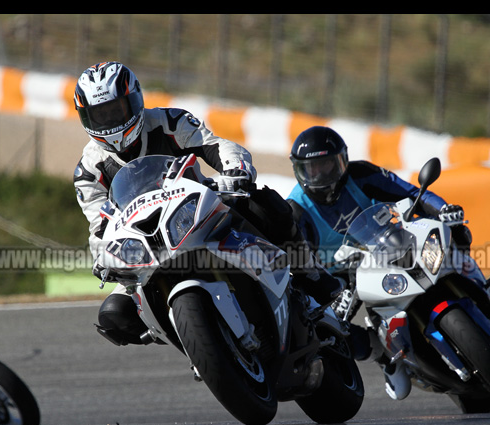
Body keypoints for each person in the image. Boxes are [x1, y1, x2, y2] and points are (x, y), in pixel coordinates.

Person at [73, 62, 340, 346]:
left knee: (264, 202)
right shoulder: (89, 171)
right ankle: (195, 341)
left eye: (115, 110)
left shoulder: (169, 121)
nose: (110, 120)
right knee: (114, 315)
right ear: (86, 118)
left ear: (135, 100)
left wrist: (235, 170)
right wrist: (103, 257)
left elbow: (214, 145)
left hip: (198, 213)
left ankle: (308, 271)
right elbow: (100, 225)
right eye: (99, 115)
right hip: (147, 246)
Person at [286, 125, 490, 401]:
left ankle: (480, 288)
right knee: (333, 329)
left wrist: (443, 210)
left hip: (386, 238)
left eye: (328, 165)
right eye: (313, 169)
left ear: (342, 161)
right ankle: (387, 358)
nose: (321, 175)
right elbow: (301, 260)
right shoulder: (296, 210)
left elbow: (414, 193)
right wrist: (322, 286)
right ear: (299, 171)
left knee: (448, 231)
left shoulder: (362, 173)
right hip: (339, 274)